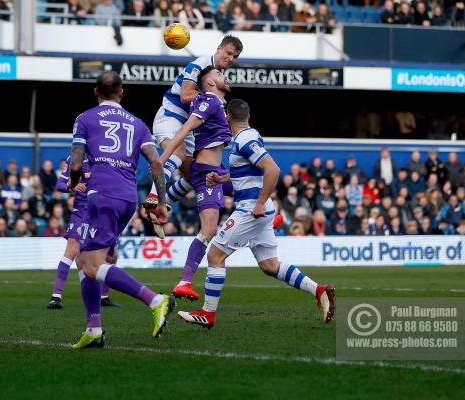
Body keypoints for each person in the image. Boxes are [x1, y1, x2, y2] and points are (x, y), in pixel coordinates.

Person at [177, 99, 334, 328]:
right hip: (258, 210)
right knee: (270, 265)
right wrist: (222, 179)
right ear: (248, 116)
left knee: (215, 255)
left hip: (251, 209)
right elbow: (251, 170)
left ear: (227, 118)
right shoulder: (248, 136)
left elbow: (272, 169)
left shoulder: (244, 139)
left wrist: (260, 202)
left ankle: (207, 314)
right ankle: (319, 290)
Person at [69, 71, 173, 349]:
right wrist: (161, 202)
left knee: (92, 265)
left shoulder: (85, 118)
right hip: (127, 197)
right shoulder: (138, 124)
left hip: (102, 195)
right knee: (84, 260)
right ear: (121, 92)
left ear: (95, 92)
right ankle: (93, 329)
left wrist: (73, 183)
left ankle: (155, 300)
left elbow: (76, 163)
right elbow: (156, 164)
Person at [142, 35, 243, 238]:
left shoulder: (218, 75)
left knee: (195, 176)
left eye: (235, 56)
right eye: (229, 53)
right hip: (171, 116)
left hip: (189, 126)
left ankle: (163, 205)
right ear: (219, 48)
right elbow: (185, 96)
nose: (231, 58)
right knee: (178, 152)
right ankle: (153, 196)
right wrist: (211, 96)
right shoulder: (199, 65)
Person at [159, 66, 232, 301]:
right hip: (207, 171)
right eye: (219, 74)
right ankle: (184, 281)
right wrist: (162, 159)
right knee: (209, 229)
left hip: (216, 169)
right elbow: (184, 130)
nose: (225, 75)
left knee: (251, 183)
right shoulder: (209, 100)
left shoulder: (217, 104)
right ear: (210, 83)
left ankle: (165, 202)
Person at [46, 155, 120, 310]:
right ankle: (56, 297)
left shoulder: (107, 155)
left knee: (112, 255)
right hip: (82, 211)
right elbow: (59, 184)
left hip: (104, 210)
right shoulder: (76, 157)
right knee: (72, 250)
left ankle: (103, 297)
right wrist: (71, 186)